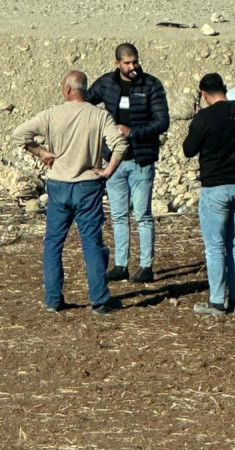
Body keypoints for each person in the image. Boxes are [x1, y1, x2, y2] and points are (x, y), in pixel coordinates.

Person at [12, 70, 128, 314]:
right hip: (88, 185)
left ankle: (53, 299)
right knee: (92, 243)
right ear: (84, 90)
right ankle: (99, 299)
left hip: (58, 185)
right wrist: (107, 170)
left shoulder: (52, 114)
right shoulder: (99, 115)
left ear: (66, 89)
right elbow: (120, 143)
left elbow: (19, 134)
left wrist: (41, 152)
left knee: (54, 242)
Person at [86, 42, 169, 283]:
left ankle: (145, 266)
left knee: (142, 214)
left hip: (141, 160)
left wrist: (132, 132)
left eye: (135, 62)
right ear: (117, 63)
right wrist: (99, 129)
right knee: (119, 215)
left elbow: (162, 121)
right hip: (113, 161)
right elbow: (86, 103)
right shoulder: (106, 83)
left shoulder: (151, 84)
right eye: (127, 63)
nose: (133, 67)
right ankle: (121, 264)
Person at [182, 73, 235, 315]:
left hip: (215, 188)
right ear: (224, 88)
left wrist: (196, 120)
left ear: (203, 93)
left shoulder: (205, 117)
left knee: (215, 246)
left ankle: (217, 301)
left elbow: (188, 149)